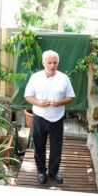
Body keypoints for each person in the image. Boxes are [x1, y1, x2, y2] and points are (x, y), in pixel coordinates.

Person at [24, 50, 75, 184]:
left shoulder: (64, 78)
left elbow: (71, 96)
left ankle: (53, 171)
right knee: (39, 146)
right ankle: (41, 171)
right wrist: (38, 103)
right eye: (49, 63)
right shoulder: (35, 77)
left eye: (55, 63)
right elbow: (28, 96)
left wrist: (60, 102)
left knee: (56, 147)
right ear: (43, 63)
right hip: (40, 118)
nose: (52, 65)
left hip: (57, 118)